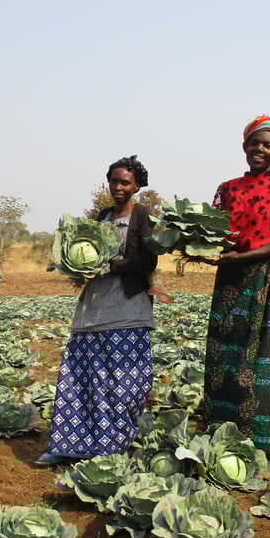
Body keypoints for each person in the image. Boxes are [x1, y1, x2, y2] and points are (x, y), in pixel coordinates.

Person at [204, 115, 270, 458]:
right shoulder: (228, 189)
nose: (260, 149)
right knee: (224, 357)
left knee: (261, 359)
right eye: (254, 143)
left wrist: (245, 256)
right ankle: (223, 433)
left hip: (263, 278)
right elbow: (217, 234)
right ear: (244, 146)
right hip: (229, 280)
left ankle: (265, 445)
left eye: (268, 145)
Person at [38, 155, 158, 464]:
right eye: (114, 181)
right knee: (85, 375)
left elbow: (149, 259)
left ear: (137, 186)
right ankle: (71, 445)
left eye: (125, 182)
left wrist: (113, 265)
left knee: (124, 381)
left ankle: (112, 447)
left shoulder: (142, 214)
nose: (118, 187)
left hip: (128, 307)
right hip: (94, 307)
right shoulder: (102, 216)